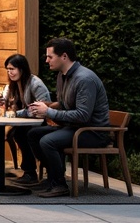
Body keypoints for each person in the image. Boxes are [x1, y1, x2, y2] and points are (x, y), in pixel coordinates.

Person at [25, 37, 110, 198]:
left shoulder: (84, 79)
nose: (46, 60)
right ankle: (53, 177)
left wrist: (49, 112)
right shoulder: (62, 76)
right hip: (74, 127)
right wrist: (46, 106)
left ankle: (59, 185)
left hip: (92, 132)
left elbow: (83, 115)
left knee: (48, 141)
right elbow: (65, 104)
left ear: (64, 56)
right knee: (33, 134)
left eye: (50, 57)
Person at [0, 52, 52, 186]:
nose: (10, 72)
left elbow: (43, 106)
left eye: (12, 69)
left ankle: (33, 172)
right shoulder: (13, 85)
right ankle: (29, 172)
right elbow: (12, 105)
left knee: (23, 134)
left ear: (22, 69)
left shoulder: (35, 83)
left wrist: (16, 113)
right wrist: (3, 103)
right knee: (18, 133)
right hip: (26, 121)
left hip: (43, 121)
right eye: (8, 69)